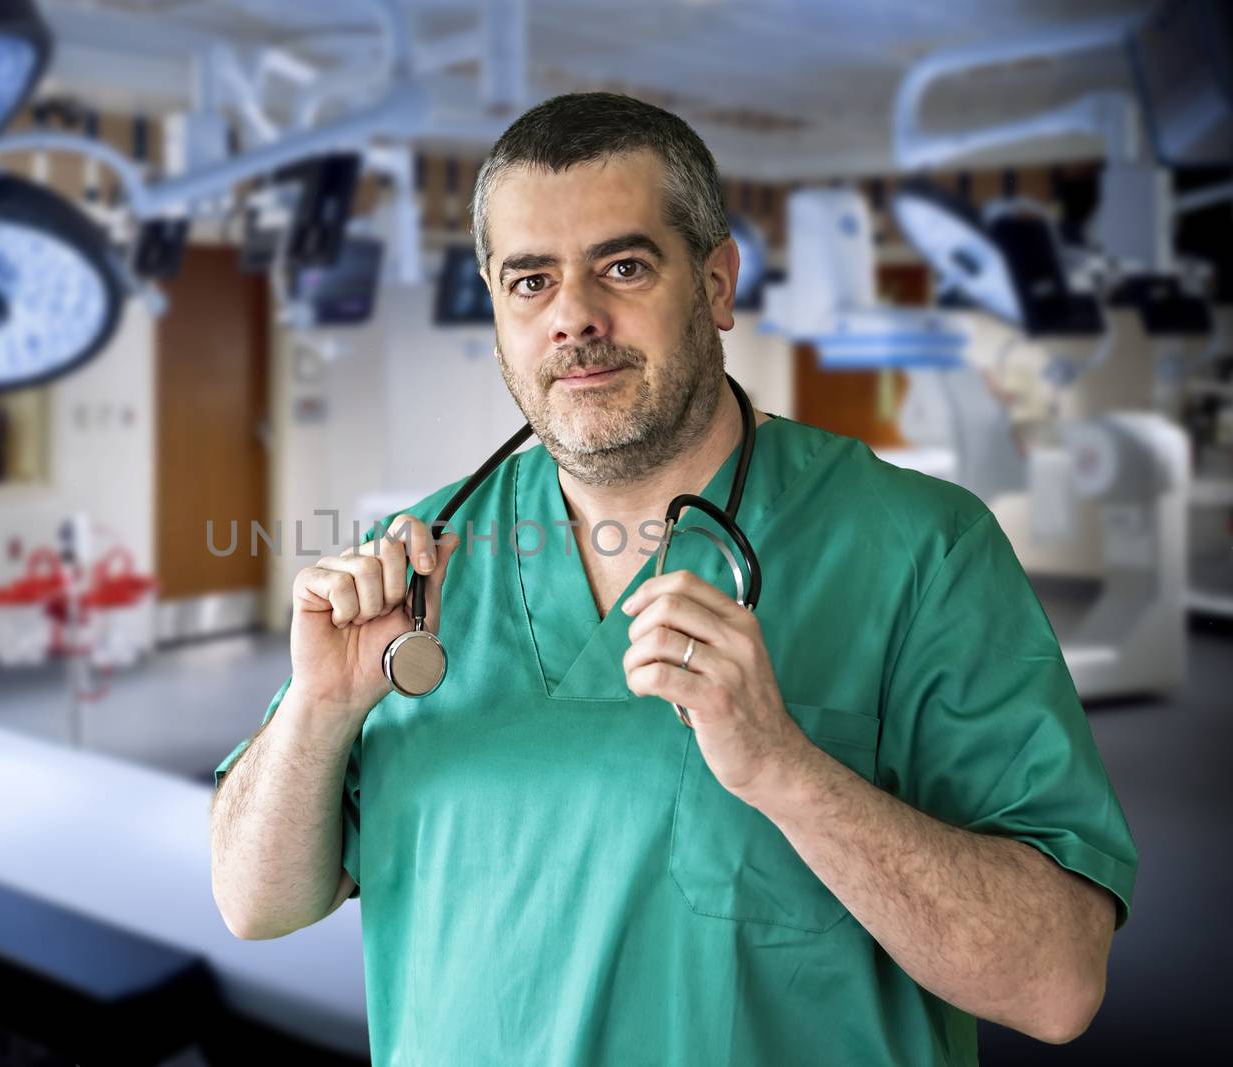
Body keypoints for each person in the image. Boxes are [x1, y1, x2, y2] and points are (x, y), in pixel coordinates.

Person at [209, 92, 1137, 1066]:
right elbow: (252, 899)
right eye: (530, 280)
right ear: (494, 305)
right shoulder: (417, 560)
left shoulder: (918, 548)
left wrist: (784, 769)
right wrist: (315, 708)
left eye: (623, 265)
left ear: (717, 282)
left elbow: (1056, 981)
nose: (573, 316)